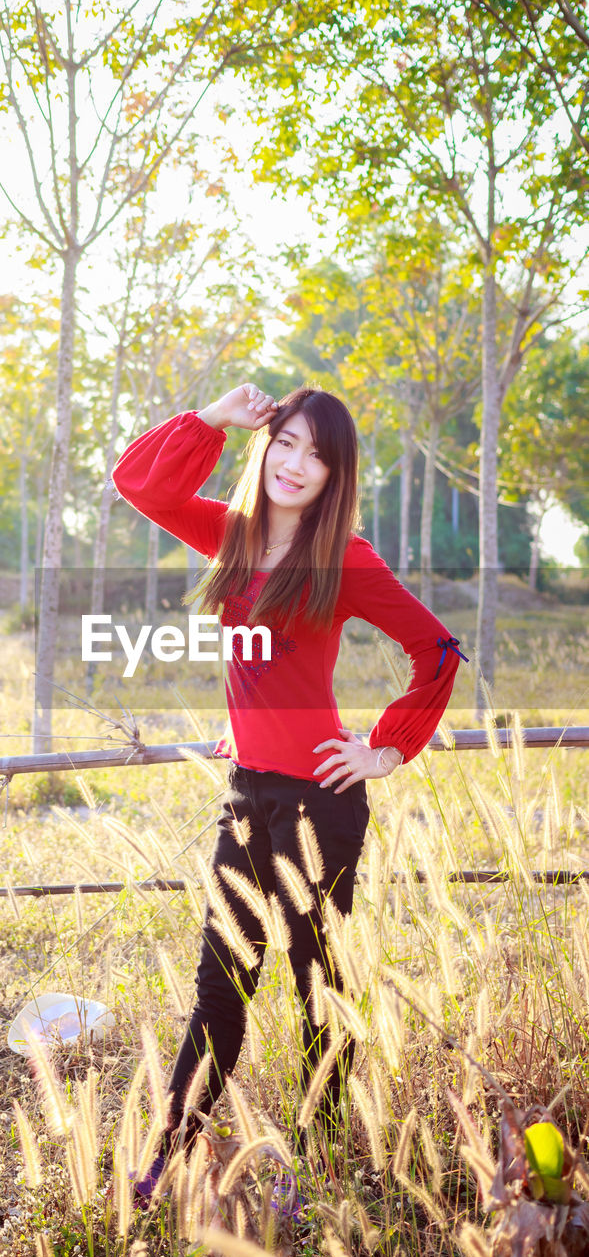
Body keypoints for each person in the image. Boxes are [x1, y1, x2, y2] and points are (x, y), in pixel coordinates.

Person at [111, 382, 466, 1212]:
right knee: (218, 986)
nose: (297, 464)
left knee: (319, 990)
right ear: (265, 447)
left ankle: (317, 1169)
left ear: (335, 474)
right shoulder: (230, 536)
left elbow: (436, 650)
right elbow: (140, 485)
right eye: (286, 442)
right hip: (245, 797)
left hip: (320, 805)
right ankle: (166, 1158)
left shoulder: (346, 556)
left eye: (318, 454)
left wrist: (384, 749)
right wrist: (209, 419)